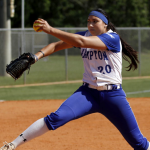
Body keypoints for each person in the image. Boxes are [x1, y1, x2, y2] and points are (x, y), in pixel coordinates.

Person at [0, 8, 149, 150]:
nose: (90, 24)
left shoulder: (112, 38)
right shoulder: (85, 35)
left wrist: (50, 30)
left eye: (95, 21)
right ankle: (12, 145)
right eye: (88, 21)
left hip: (113, 96)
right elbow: (55, 46)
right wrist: (35, 57)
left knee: (138, 143)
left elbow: (81, 42)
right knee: (55, 118)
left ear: (105, 23)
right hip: (88, 94)